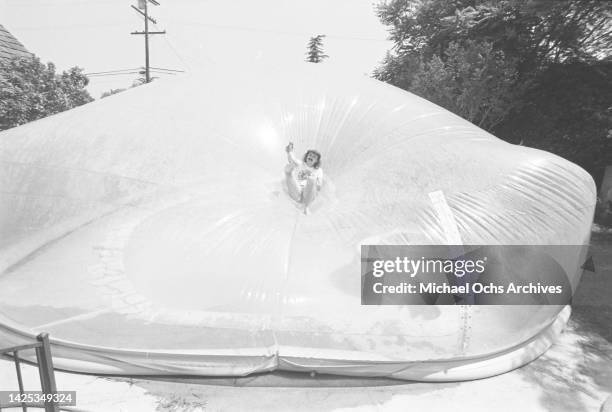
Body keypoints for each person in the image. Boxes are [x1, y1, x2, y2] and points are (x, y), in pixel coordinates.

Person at [284, 142, 323, 214]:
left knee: (312, 180)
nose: (311, 156)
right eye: (310, 155)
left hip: (308, 194)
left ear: (316, 161)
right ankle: (288, 172)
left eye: (314, 157)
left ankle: (306, 207)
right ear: (306, 156)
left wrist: (312, 180)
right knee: (290, 170)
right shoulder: (300, 163)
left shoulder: (318, 170)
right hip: (297, 191)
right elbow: (292, 160)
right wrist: (290, 151)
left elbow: (319, 186)